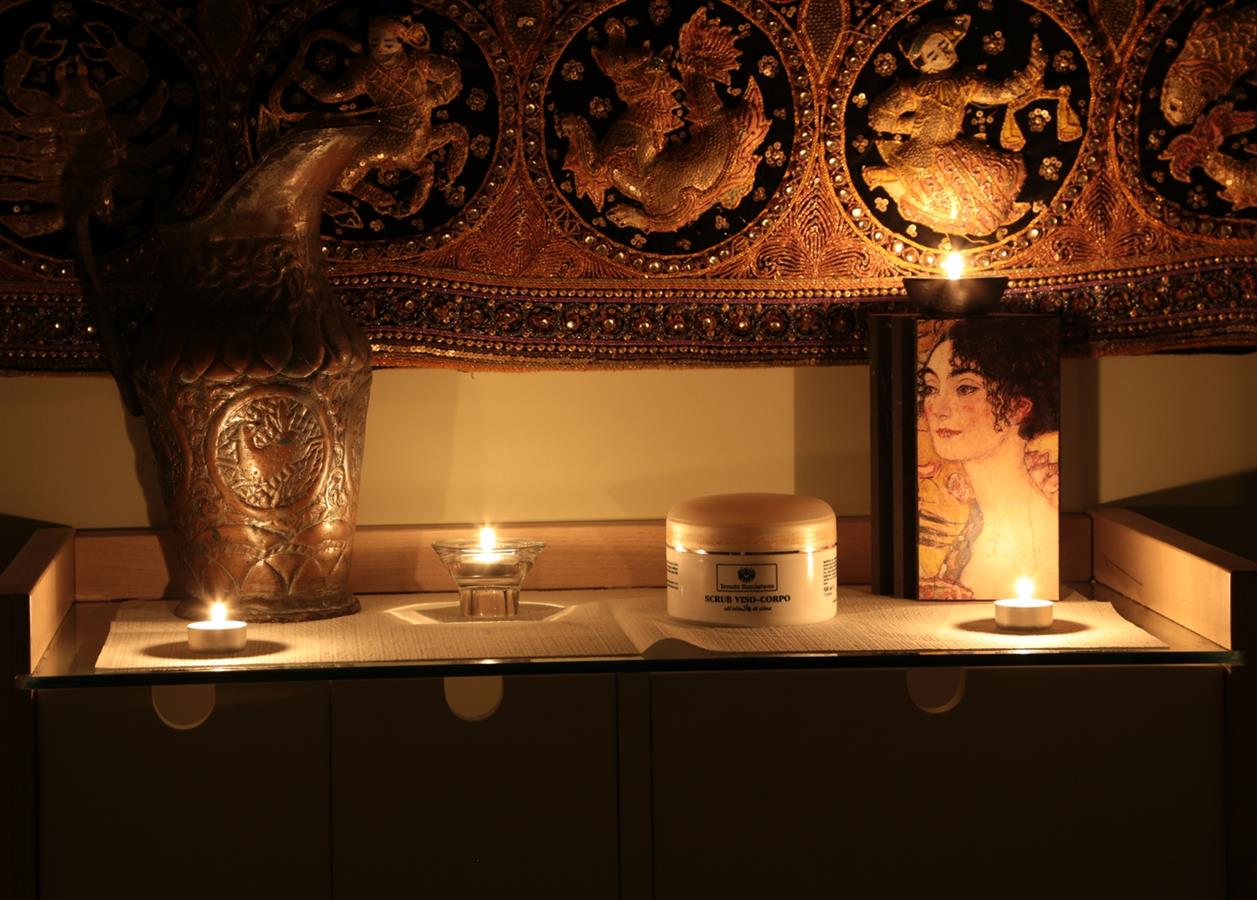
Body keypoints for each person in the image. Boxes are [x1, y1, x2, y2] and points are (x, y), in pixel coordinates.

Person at [916, 318, 1059, 599]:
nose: (939, 409)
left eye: (965, 388)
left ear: (1018, 407)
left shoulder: (1034, 537)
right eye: (931, 388)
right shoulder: (979, 520)